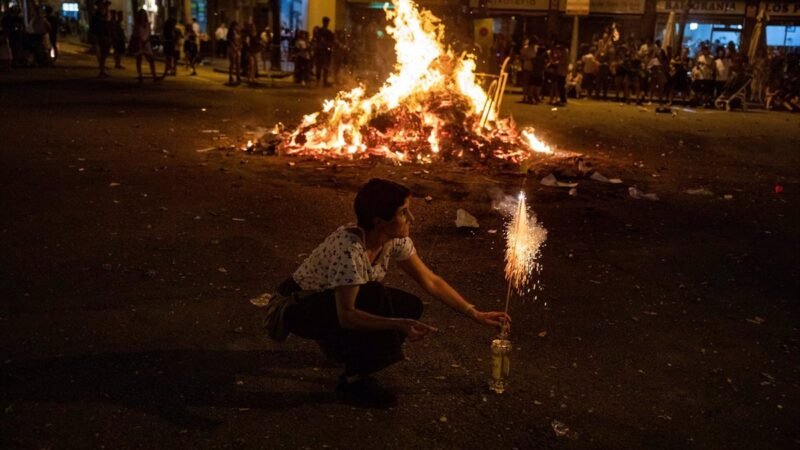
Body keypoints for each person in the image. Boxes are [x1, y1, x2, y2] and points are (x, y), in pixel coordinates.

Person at [263, 179, 510, 408]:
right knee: (374, 296)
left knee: (408, 305)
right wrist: (397, 325)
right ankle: (353, 380)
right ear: (379, 221)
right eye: (403, 212)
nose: (411, 217)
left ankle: (340, 347)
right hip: (293, 307)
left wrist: (474, 313)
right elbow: (347, 315)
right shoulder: (349, 248)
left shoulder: (393, 239)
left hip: (330, 302)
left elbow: (431, 281)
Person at [129, 9, 158, 82]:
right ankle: (140, 75)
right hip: (139, 43)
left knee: (151, 60)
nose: (142, 16)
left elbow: (149, 34)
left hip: (146, 44)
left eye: (143, 15)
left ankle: (154, 75)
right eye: (141, 15)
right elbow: (135, 34)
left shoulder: (147, 24)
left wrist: (147, 41)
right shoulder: (137, 25)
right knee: (139, 60)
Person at [89, 0, 112, 77]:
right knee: (100, 54)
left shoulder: (105, 13)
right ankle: (102, 70)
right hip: (99, 35)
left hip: (105, 35)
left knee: (104, 54)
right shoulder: (96, 15)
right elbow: (94, 26)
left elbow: (108, 21)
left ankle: (102, 69)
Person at [314, 17, 334, 86]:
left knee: (325, 67)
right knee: (319, 67)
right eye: (326, 22)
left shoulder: (328, 32)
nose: (327, 24)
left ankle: (324, 81)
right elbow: (316, 39)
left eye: (327, 22)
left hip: (325, 51)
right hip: (320, 51)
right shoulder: (320, 31)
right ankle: (318, 80)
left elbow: (332, 40)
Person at [226, 21, 242, 85]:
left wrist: (239, 46)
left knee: (238, 64)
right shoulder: (231, 33)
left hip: (238, 49)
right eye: (236, 25)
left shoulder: (238, 32)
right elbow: (229, 41)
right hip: (232, 49)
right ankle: (230, 76)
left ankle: (238, 76)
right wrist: (234, 47)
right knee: (232, 63)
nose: (237, 27)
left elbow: (240, 40)